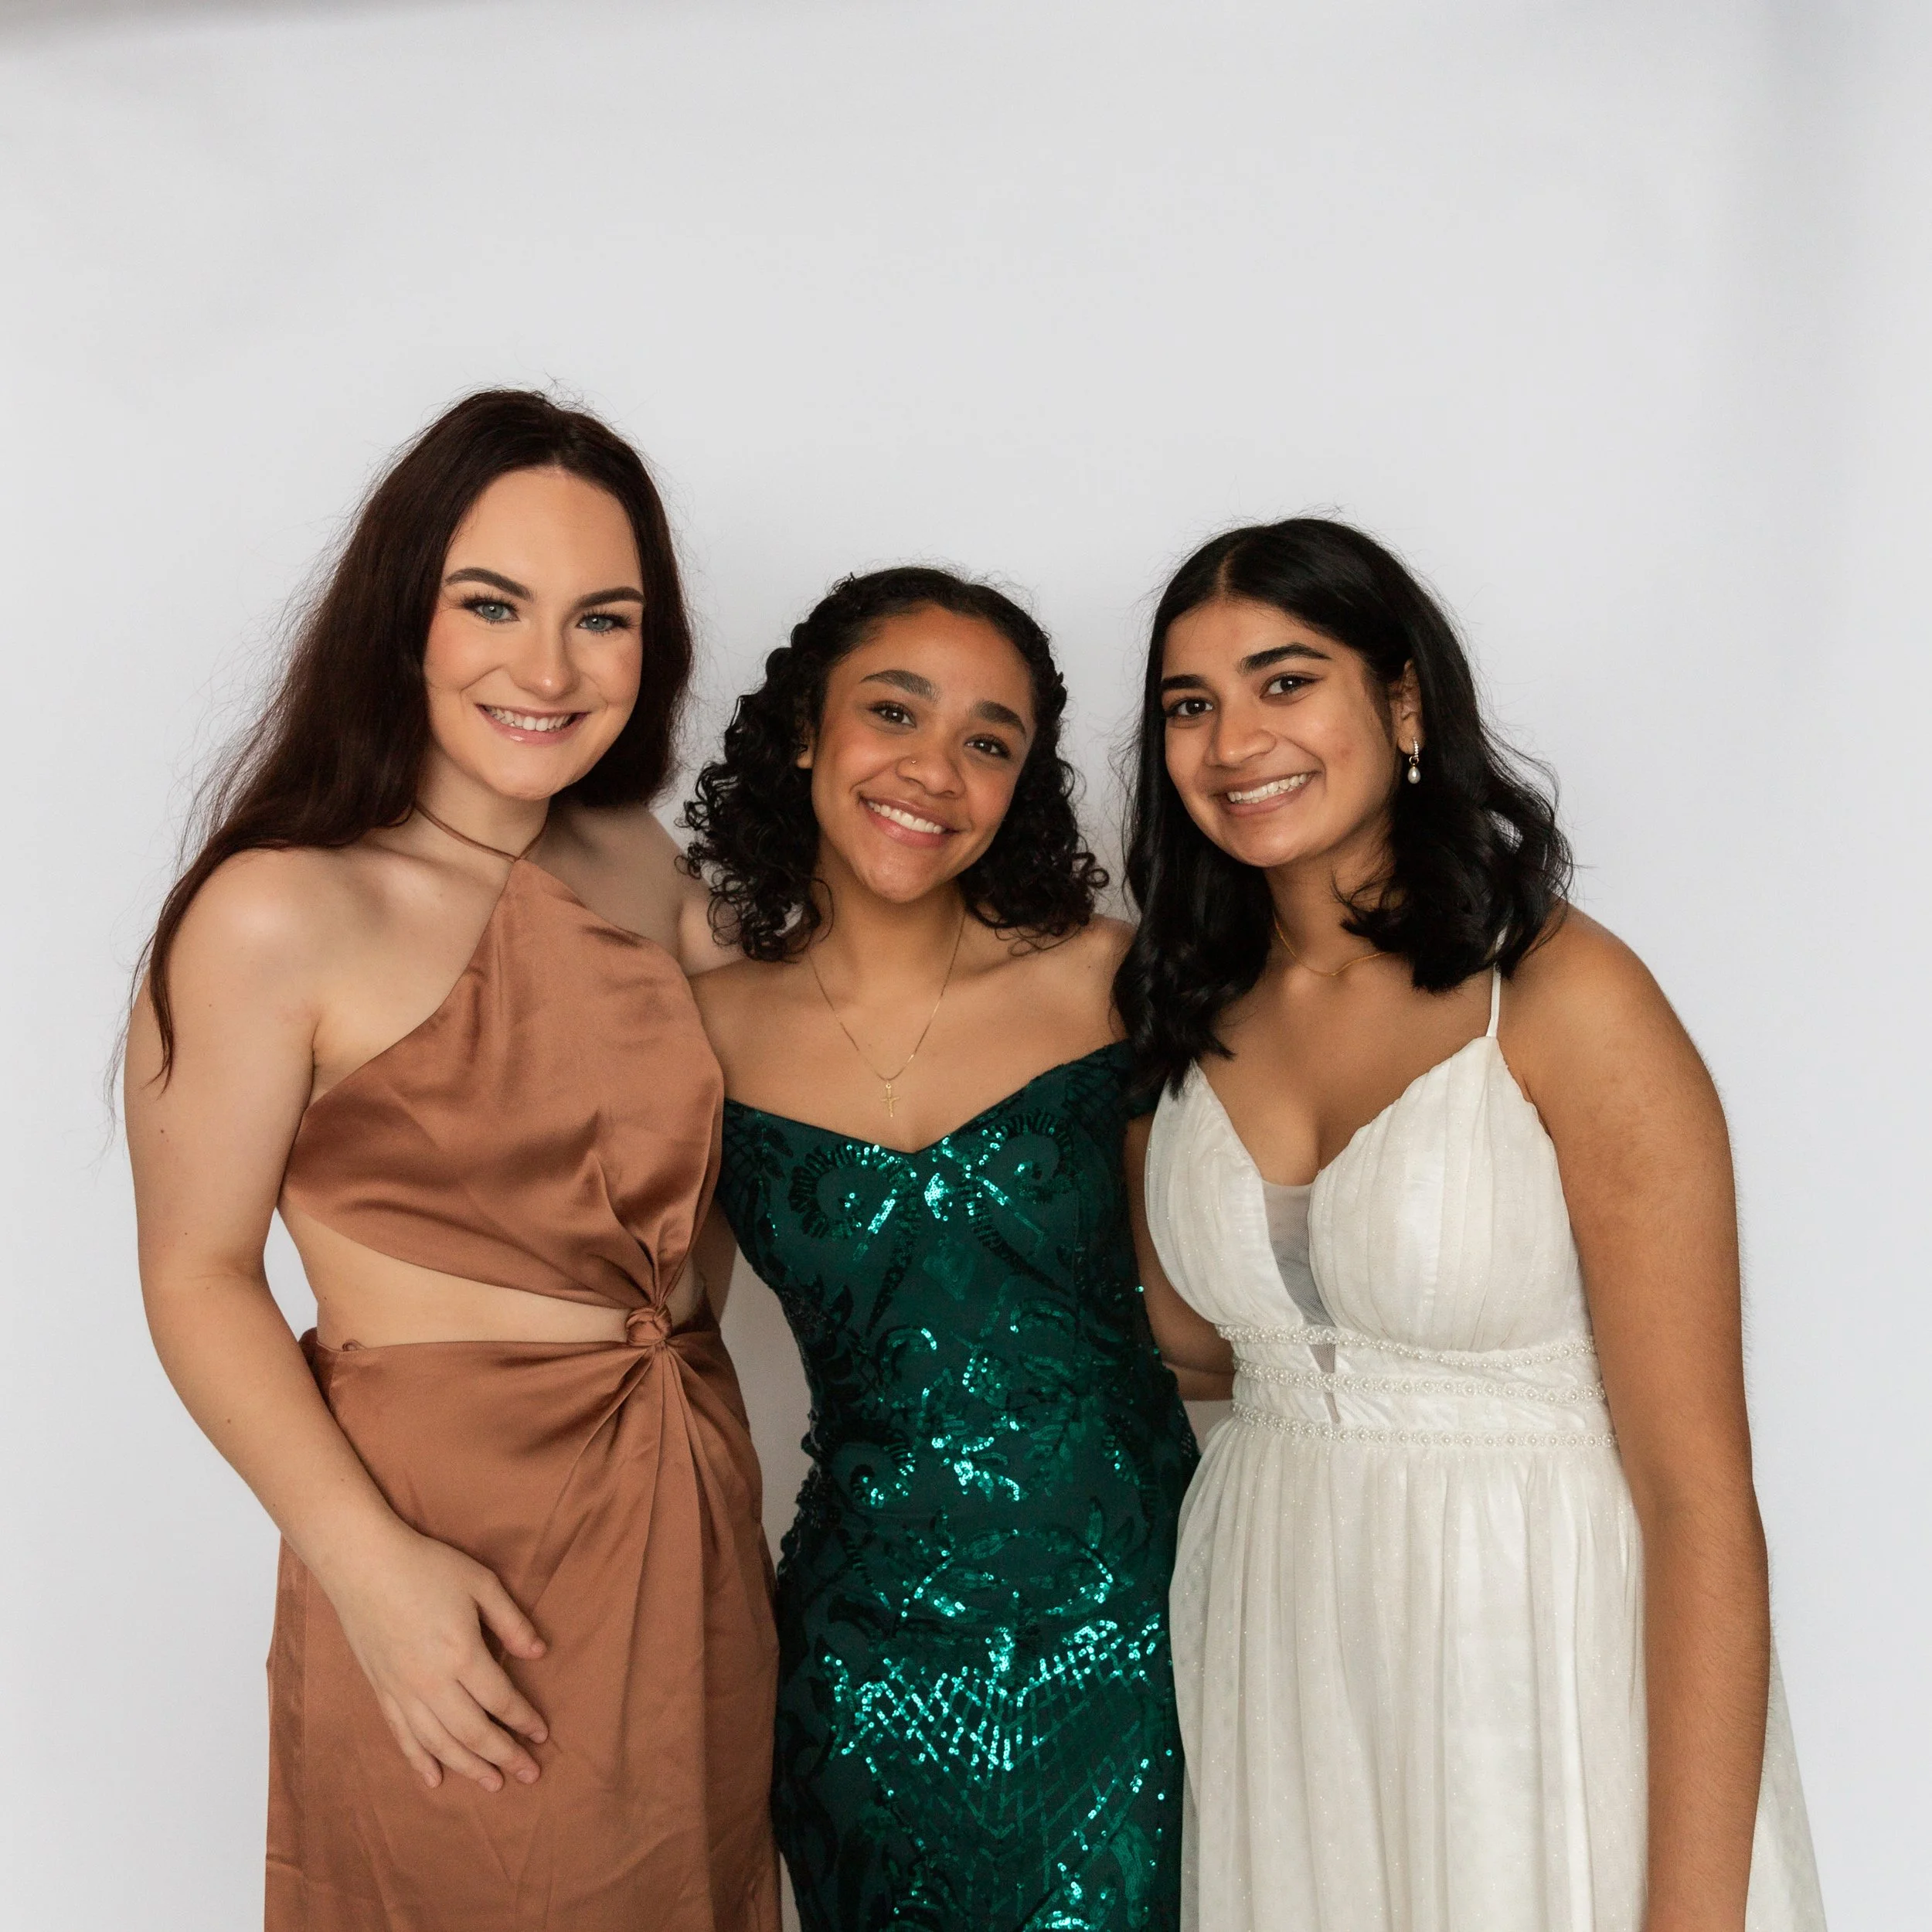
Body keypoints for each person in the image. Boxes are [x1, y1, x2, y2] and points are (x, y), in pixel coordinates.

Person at [124, 390, 777, 1932]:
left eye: (600, 618)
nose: (545, 668)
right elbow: (194, 1273)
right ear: (401, 613)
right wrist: (373, 1573)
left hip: (683, 1505)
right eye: (491, 603)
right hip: (449, 1540)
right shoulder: (282, 906)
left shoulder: (642, 863)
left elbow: (728, 1163)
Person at [1116, 519, 1827, 1932]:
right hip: (1281, 1647)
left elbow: (1699, 1497)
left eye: (1284, 680)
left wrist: (1697, 1913)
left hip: (1537, 1647)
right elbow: (1201, 1344)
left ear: (1404, 703)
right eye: (1189, 705)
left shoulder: (1565, 996)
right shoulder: (1184, 1011)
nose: (1233, 739)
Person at [682, 567, 1199, 1932]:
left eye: (988, 741)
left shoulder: (1109, 980)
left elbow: (1216, 1298)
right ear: (805, 728)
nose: (935, 771)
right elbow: (662, 1332)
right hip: (859, 1662)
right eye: (893, 712)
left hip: (1131, 1637)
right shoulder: (698, 1028)